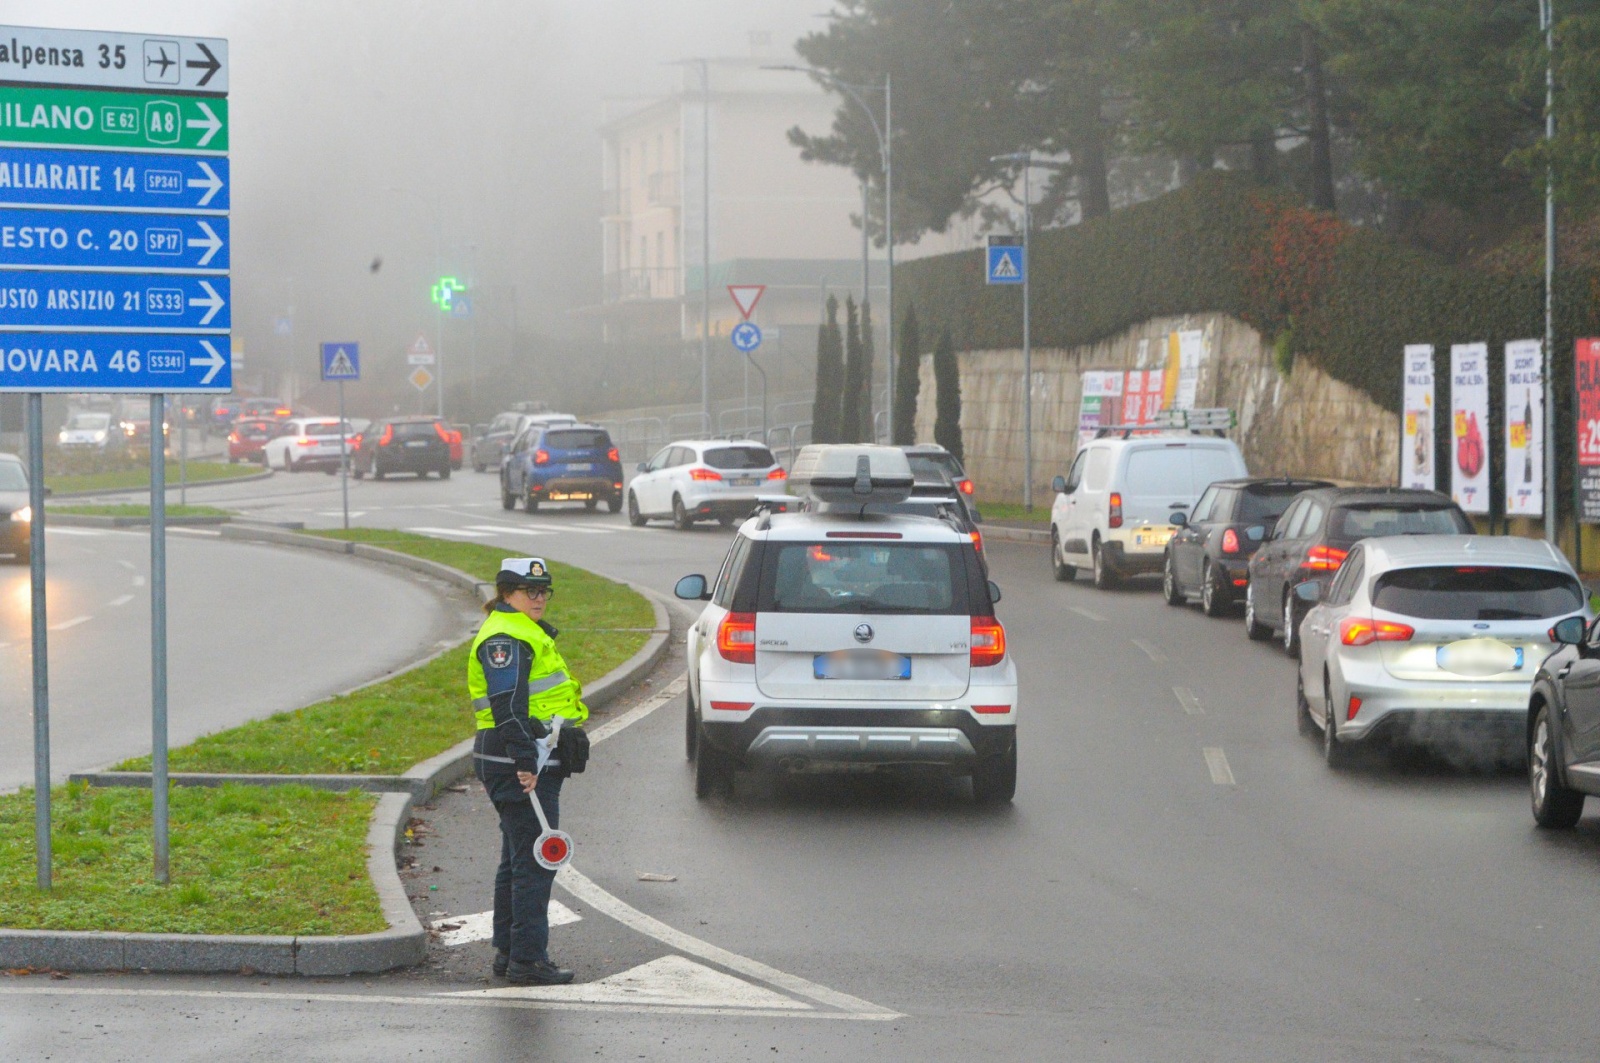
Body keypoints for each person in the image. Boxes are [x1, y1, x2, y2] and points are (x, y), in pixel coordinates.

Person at [468, 556, 589, 986]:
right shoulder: (506, 637)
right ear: (506, 593)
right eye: (528, 590)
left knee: (517, 858)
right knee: (538, 860)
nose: (538, 598)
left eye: (543, 591)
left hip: (520, 756)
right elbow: (507, 706)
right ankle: (527, 960)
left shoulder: (523, 630)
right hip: (518, 758)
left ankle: (510, 952)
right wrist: (525, 762)